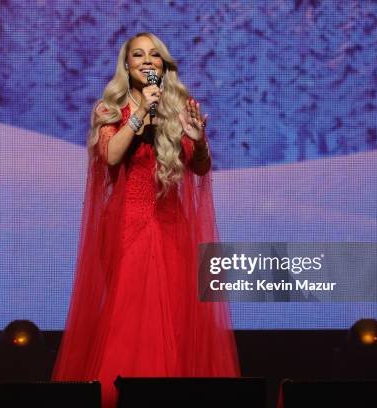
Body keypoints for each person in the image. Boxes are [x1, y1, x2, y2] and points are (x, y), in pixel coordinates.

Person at [52, 32, 240, 408]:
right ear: (127, 65)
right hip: (127, 227)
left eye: (154, 55)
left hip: (172, 226)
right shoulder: (110, 110)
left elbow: (199, 169)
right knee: (131, 314)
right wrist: (140, 113)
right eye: (137, 55)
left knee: (175, 315)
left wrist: (199, 140)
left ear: (164, 65)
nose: (146, 60)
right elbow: (111, 156)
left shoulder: (179, 107)